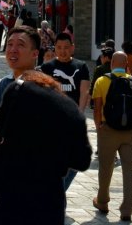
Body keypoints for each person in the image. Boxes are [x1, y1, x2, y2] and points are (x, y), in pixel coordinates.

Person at [0, 55, 91, 223]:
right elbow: (82, 161)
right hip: (50, 197)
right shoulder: (72, 111)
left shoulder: (15, 94)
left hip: (12, 191)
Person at [92, 50, 132, 221]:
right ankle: (127, 209)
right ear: (127, 66)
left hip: (108, 130)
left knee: (106, 168)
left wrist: (98, 124)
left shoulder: (102, 80)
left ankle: (102, 201)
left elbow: (97, 106)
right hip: (129, 131)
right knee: (129, 169)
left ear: (112, 63)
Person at [39, 31, 91, 190]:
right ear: (54, 48)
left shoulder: (81, 66)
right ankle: (53, 191)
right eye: (59, 47)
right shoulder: (47, 67)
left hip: (73, 120)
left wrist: (80, 114)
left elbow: (84, 92)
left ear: (72, 48)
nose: (63, 51)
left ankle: (58, 190)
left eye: (66, 47)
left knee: (75, 160)